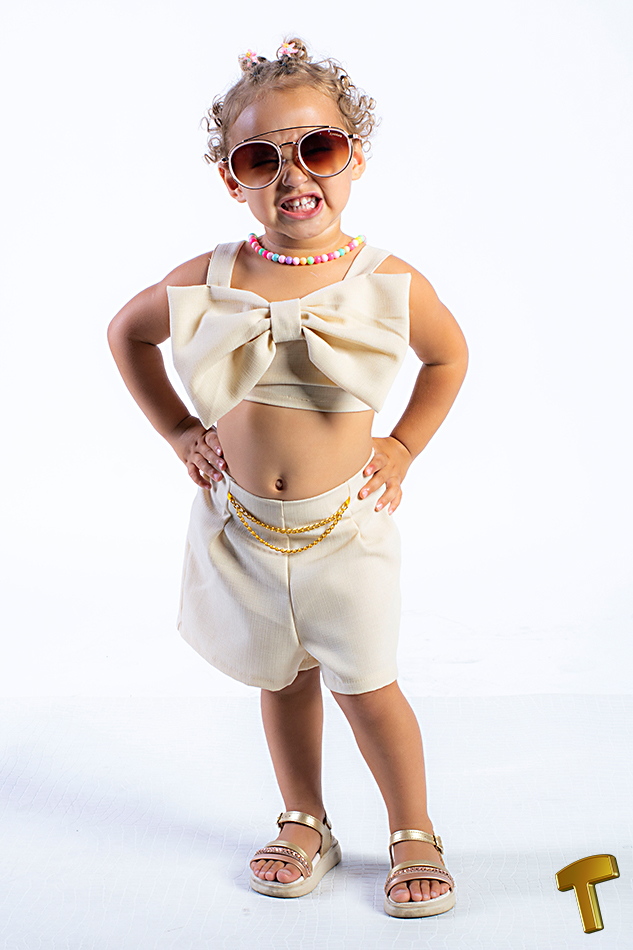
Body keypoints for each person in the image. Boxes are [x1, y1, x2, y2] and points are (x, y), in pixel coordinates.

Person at [108, 37, 468, 918]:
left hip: (345, 530)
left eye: (318, 147)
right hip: (243, 531)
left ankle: (413, 827)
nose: (292, 175)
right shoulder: (212, 277)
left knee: (367, 686)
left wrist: (402, 446)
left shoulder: (385, 280)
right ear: (231, 179)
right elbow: (127, 332)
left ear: (354, 156)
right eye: (259, 159)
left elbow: (448, 358)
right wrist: (180, 431)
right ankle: (305, 818)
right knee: (282, 679)